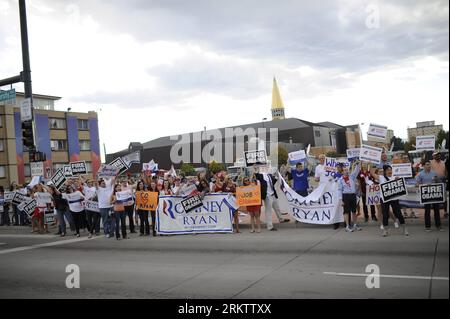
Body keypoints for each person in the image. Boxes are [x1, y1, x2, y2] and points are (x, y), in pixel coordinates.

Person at [372, 165, 409, 237]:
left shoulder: (395, 177)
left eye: (391, 170)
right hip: (384, 199)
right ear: (385, 171)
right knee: (385, 214)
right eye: (388, 170)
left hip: (394, 199)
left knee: (398, 213)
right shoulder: (381, 177)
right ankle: (385, 230)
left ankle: (405, 228)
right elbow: (372, 173)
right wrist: (371, 163)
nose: (390, 171)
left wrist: (398, 180)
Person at [416, 160, 443, 232]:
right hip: (426, 195)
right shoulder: (420, 174)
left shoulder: (434, 173)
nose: (429, 166)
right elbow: (417, 184)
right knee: (427, 211)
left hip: (434, 194)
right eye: (427, 164)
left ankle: (438, 226)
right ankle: (427, 226)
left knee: (436, 210)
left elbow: (439, 182)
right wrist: (424, 185)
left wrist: (437, 179)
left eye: (429, 164)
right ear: (424, 165)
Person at [338, 161, 362, 232]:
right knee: (346, 212)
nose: (347, 171)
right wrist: (341, 200)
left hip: (353, 195)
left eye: (347, 170)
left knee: (354, 211)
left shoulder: (352, 176)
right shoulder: (340, 180)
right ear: (342, 172)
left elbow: (356, 170)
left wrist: (358, 163)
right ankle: (347, 226)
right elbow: (339, 190)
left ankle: (355, 225)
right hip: (345, 196)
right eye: (345, 170)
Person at [430, 151, 447, 218]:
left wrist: (445, 177)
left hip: (442, 181)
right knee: (435, 198)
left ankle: (445, 212)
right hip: (434, 182)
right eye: (436, 155)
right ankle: (436, 213)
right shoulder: (431, 162)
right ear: (433, 156)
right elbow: (423, 162)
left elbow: (446, 172)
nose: (438, 156)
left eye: (439, 155)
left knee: (444, 198)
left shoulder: (443, 162)